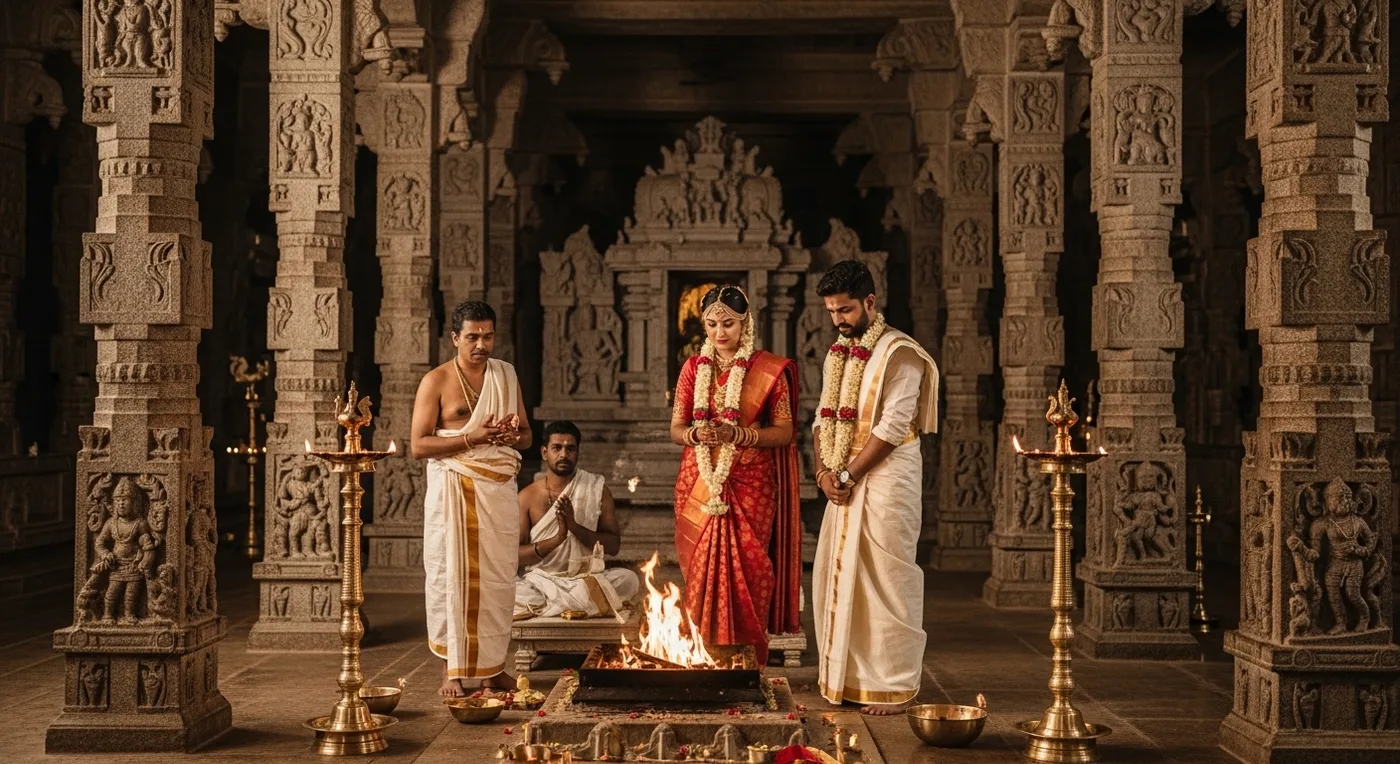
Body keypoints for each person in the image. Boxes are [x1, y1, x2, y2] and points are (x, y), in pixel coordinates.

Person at [811, 260, 938, 715]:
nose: (838, 320)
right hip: (843, 477)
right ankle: (849, 678)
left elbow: (892, 426)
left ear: (869, 302)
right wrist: (824, 472)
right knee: (838, 574)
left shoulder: (901, 354)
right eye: (831, 312)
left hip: (887, 475)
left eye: (844, 310)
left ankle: (895, 685)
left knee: (887, 576)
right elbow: (822, 417)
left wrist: (846, 475)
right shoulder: (838, 354)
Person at [670, 285, 803, 666]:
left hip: (751, 482)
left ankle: (744, 658)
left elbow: (785, 431)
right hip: (699, 477)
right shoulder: (694, 368)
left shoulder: (769, 370)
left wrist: (740, 435)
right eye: (711, 324)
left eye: (727, 323)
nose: (718, 332)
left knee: (750, 565)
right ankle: (700, 652)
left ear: (746, 322)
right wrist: (696, 434)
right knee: (700, 564)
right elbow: (677, 427)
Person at [411, 300, 532, 699]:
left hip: (496, 489)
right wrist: (473, 438)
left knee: (498, 580)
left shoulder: (506, 375)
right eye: (472, 337)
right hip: (454, 488)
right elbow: (418, 445)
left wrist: (509, 436)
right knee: (452, 577)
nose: (481, 344)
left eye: (488, 336)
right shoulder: (437, 380)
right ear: (454, 338)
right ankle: (452, 671)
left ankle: (494, 668)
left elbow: (528, 437)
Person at [515, 421, 640, 619]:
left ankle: (562, 607)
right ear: (544, 452)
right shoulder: (527, 497)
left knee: (629, 579)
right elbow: (515, 556)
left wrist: (574, 527)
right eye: (557, 448)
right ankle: (587, 605)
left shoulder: (597, 489)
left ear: (577, 453)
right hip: (542, 582)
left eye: (570, 448)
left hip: (586, 579)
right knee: (513, 593)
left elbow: (613, 546)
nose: (564, 454)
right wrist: (557, 539)